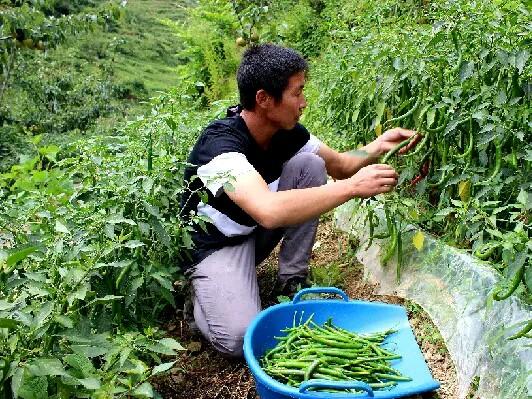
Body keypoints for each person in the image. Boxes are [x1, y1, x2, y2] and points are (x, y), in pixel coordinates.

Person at [179, 44, 418, 357]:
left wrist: (378, 145)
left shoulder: (287, 131)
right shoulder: (220, 149)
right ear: (264, 99)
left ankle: (291, 280)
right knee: (239, 339)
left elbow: (342, 166)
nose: (303, 103)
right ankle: (201, 295)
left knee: (310, 166)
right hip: (215, 246)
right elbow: (268, 210)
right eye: (297, 93)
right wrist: (352, 188)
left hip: (251, 233)